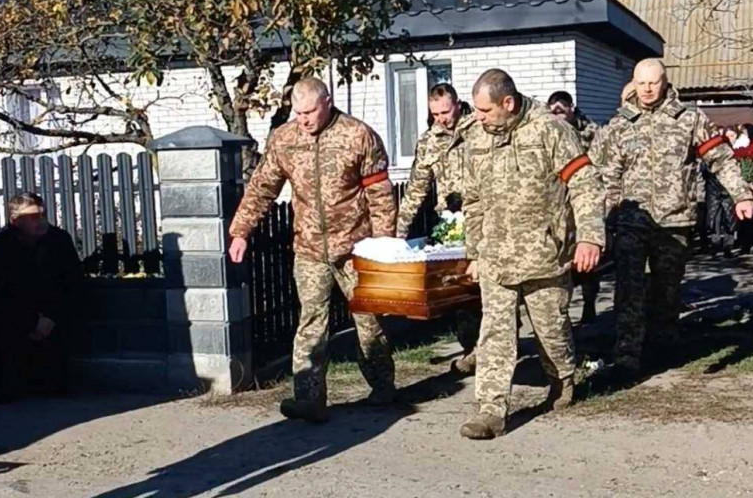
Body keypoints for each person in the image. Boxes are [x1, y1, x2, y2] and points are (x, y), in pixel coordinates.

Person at [228, 78, 397, 423]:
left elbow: (380, 195)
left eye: (310, 112)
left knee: (368, 321)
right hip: (308, 247)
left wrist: (383, 246)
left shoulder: (358, 135)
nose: (303, 119)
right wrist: (241, 231)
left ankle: (383, 388)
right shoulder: (285, 139)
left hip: (356, 247)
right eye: (298, 112)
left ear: (328, 103)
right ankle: (308, 398)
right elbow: (263, 187)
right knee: (311, 323)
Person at [460, 68, 605, 441]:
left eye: (485, 110)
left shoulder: (550, 130)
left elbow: (585, 183)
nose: (478, 117)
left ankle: (563, 380)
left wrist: (589, 237)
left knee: (552, 331)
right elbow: (473, 200)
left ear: (507, 103)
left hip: (545, 254)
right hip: (496, 255)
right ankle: (490, 411)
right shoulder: (476, 137)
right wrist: (474, 251)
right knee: (494, 333)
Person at [596, 58, 753, 383]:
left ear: (665, 82)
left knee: (667, 289)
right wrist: (602, 224)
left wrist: (742, 195)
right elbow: (606, 177)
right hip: (631, 222)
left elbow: (720, 159)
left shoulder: (689, 118)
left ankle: (664, 345)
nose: (648, 89)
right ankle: (627, 357)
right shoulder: (619, 124)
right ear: (634, 83)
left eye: (654, 82)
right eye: (641, 83)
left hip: (675, 221)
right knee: (629, 289)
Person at [396, 82, 480, 375]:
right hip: (453, 224)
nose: (442, 118)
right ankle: (473, 349)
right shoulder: (429, 141)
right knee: (461, 291)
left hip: (485, 217)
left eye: (446, 111)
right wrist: (398, 233)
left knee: (490, 287)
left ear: (457, 104)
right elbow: (416, 189)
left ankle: (493, 347)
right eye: (435, 114)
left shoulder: (479, 127)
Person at [0, 192, 84, 403]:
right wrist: (30, 322)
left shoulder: (58, 241)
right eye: (33, 216)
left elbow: (71, 284)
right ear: (15, 220)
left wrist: (50, 317)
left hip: (52, 318)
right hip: (14, 319)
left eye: (42, 214)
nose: (40, 221)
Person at [548, 90, 601, 325]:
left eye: (562, 110)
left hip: (583, 204)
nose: (558, 115)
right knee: (561, 266)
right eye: (553, 111)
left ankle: (589, 304)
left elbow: (598, 168)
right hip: (557, 207)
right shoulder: (549, 134)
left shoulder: (590, 133)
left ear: (572, 108)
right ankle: (562, 313)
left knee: (587, 266)